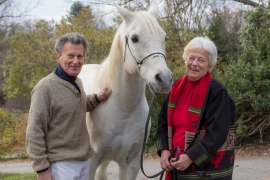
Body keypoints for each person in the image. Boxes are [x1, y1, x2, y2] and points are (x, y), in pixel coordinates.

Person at [26, 32, 112, 180]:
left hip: (84, 162)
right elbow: (34, 131)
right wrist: (41, 169)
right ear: (58, 57)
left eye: (80, 56)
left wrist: (97, 98)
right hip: (61, 165)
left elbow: (76, 106)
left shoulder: (77, 82)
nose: (75, 61)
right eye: (70, 56)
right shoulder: (45, 88)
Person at [156, 36, 235, 180]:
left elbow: (218, 133)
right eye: (191, 58)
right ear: (186, 59)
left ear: (209, 65)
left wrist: (191, 156)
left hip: (204, 169)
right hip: (175, 163)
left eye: (201, 60)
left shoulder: (217, 92)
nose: (195, 63)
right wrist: (164, 151)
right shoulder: (175, 88)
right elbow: (163, 120)